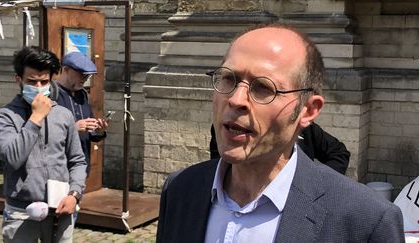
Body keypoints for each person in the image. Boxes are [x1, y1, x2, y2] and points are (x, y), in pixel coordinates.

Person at [156, 24, 404, 242]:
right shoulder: (179, 190)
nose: (236, 99)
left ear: (307, 110)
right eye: (228, 79)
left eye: (263, 87)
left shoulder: (366, 221)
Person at [0, 46, 87, 242]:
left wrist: (74, 194)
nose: (38, 87)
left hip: (60, 209)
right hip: (22, 213)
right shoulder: (6, 116)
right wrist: (35, 118)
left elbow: (77, 161)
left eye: (44, 81)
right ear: (18, 79)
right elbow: (12, 159)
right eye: (31, 81)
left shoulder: (63, 115)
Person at [210, 121, 351, 174]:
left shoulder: (303, 129)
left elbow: (339, 153)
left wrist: (316, 181)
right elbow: (217, 167)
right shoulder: (226, 129)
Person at [54, 51, 108, 174]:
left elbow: (89, 132)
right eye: (81, 74)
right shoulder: (52, 94)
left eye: (87, 76)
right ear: (66, 69)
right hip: (59, 167)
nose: (84, 79)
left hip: (80, 166)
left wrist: (98, 130)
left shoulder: (83, 94)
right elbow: (45, 133)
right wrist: (74, 128)